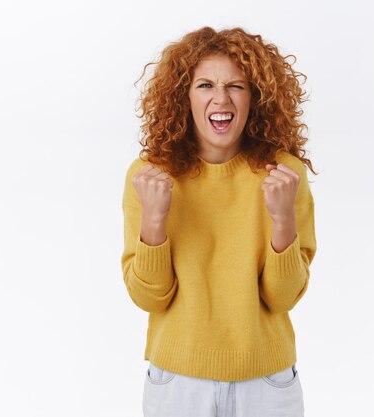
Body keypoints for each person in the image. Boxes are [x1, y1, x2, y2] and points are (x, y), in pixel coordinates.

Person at [121, 26, 318, 417]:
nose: (221, 98)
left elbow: (282, 298)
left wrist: (282, 221)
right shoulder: (148, 176)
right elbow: (149, 297)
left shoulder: (284, 174)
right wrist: (155, 222)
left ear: (255, 97)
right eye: (205, 85)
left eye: (237, 86)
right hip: (178, 382)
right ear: (184, 96)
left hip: (267, 381)